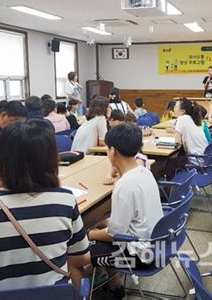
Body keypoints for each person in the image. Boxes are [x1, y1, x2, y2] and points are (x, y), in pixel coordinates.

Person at [0, 120, 90, 292]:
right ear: (51, 160)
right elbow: (82, 256)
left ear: (1, 158)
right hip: (50, 295)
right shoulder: (64, 201)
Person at [71, 124, 162, 297]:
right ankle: (115, 286)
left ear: (112, 151)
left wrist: (90, 233)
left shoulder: (124, 185)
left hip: (141, 257)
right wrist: (105, 224)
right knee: (103, 225)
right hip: (156, 244)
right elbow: (126, 222)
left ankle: (87, 293)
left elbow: (114, 234)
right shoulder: (144, 171)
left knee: (73, 259)